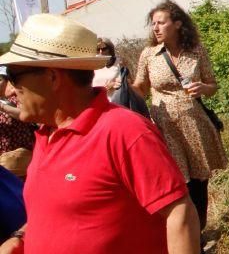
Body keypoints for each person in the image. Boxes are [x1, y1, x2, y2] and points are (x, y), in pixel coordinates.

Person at [0, 13, 199, 253]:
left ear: (53, 77)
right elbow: (56, 212)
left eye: (14, 77)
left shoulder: (124, 131)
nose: (10, 89)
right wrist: (21, 237)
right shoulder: (46, 134)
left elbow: (180, 213)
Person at [132, 0, 227, 231]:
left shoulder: (196, 51)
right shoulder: (149, 55)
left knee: (199, 182)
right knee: (176, 182)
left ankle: (199, 232)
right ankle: (181, 233)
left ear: (177, 24)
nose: (155, 28)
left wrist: (203, 88)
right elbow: (140, 89)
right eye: (153, 23)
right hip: (164, 127)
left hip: (194, 124)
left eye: (161, 22)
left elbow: (213, 85)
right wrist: (121, 87)